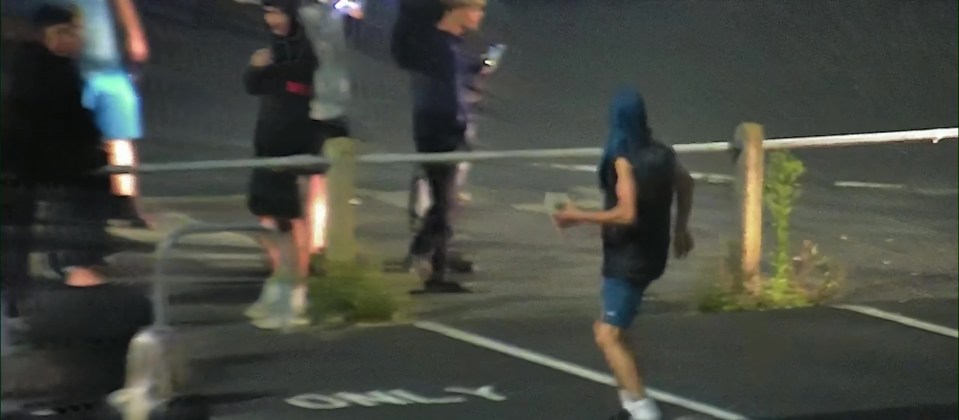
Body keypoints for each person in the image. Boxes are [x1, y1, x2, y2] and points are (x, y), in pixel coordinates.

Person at [1, 4, 154, 408]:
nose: (80, 38)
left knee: (25, 259)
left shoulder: (35, 69)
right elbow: (56, 129)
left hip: (35, 181)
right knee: (71, 255)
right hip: (55, 182)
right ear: (56, 34)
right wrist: (87, 160)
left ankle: (27, 332)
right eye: (73, 31)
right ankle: (67, 356)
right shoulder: (45, 74)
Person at [552, 88, 695, 420]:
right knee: (622, 330)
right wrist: (681, 228)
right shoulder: (662, 153)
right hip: (653, 250)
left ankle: (643, 409)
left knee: (607, 334)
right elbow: (686, 184)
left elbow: (626, 213)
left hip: (628, 256)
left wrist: (578, 216)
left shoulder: (623, 159)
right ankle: (629, 404)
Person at [396, 0, 486, 293]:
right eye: (475, 9)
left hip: (448, 129)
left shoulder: (450, 45)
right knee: (443, 202)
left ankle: (436, 267)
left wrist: (476, 69)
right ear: (454, 10)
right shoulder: (431, 45)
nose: (479, 16)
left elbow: (456, 79)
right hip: (437, 131)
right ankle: (423, 255)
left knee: (446, 202)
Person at [242, 0, 318, 330]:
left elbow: (300, 80)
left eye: (277, 12)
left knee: (291, 218)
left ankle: (296, 290)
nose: (271, 19)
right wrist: (259, 68)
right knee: (266, 214)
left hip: (296, 141)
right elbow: (253, 84)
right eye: (267, 12)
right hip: (268, 139)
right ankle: (278, 281)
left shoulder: (310, 49)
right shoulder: (275, 47)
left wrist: (267, 69)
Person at [297, 0, 365, 256]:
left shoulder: (337, 14)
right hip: (312, 105)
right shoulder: (306, 14)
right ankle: (310, 243)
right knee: (312, 177)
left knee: (331, 177)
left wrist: (352, 17)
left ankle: (322, 243)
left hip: (334, 104)